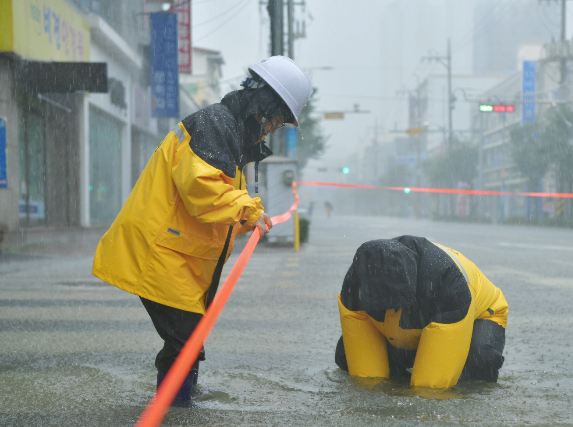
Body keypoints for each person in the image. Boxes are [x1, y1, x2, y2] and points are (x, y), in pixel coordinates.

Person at [93, 56, 312, 403]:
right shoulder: (215, 124)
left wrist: (247, 219)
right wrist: (249, 210)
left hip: (178, 259)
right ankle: (175, 420)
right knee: (185, 344)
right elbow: (202, 191)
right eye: (277, 118)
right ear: (264, 103)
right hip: (161, 253)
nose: (273, 128)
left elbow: (216, 211)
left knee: (189, 343)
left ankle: (179, 409)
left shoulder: (231, 134)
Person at [334, 235, 508, 389]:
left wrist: (423, 394)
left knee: (479, 362)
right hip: (411, 322)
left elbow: (431, 388)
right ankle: (410, 362)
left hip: (481, 315)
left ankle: (463, 376)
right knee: (345, 357)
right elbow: (365, 371)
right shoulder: (357, 279)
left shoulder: (448, 284)